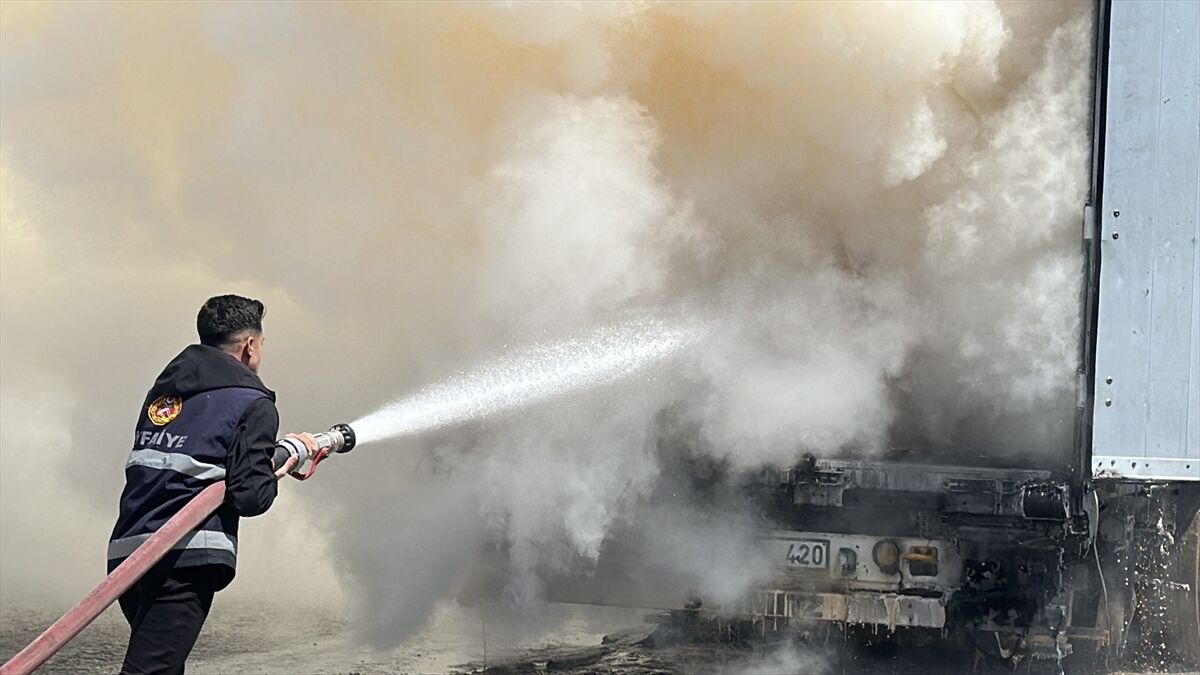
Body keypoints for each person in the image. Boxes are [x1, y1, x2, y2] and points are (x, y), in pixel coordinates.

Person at [107, 294, 317, 674]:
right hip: (183, 556)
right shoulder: (253, 402)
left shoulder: (165, 395)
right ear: (250, 345)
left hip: (128, 553)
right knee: (151, 670)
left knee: (161, 662)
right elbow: (250, 496)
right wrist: (282, 462)